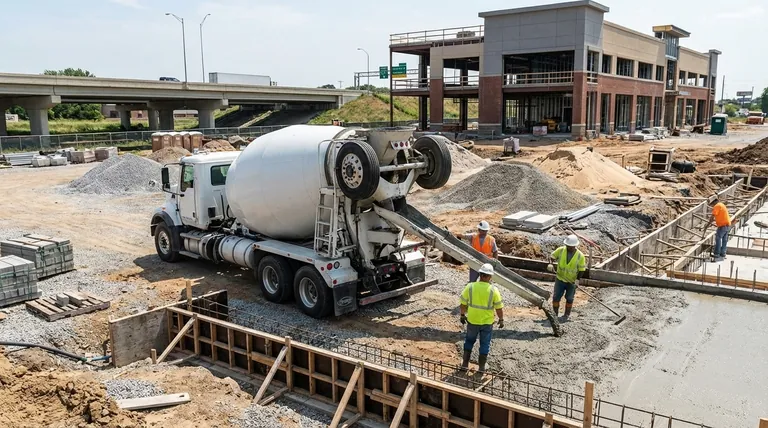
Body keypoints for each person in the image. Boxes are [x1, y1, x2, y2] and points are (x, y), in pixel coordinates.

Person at [459, 263, 504, 373]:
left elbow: (463, 304)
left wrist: (462, 315)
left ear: (480, 274)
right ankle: (482, 368)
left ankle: (465, 365)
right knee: (485, 344)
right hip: (486, 323)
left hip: (472, 321)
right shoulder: (494, 290)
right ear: (489, 277)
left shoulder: (470, 287)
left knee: (469, 341)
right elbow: (499, 308)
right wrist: (501, 319)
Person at [547, 235, 586, 321]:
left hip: (571, 281)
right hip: (560, 279)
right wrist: (550, 264)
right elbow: (551, 257)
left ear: (575, 246)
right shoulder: (561, 250)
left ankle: (566, 315)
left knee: (569, 298)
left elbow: (582, 269)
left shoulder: (580, 256)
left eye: (570, 247)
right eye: (568, 246)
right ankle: (555, 315)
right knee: (556, 297)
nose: (569, 248)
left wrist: (577, 280)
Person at [705, 194, 731, 261]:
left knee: (718, 238)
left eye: (712, 204)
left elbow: (712, 217)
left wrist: (707, 225)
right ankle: (723, 253)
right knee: (724, 240)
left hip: (722, 226)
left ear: (714, 202)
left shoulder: (717, 206)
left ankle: (716, 254)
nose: (712, 205)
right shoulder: (721, 205)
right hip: (728, 225)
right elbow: (719, 216)